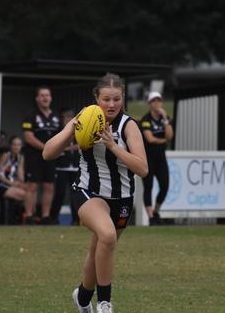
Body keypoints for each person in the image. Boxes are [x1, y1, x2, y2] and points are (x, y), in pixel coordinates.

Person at [43, 73, 148, 313]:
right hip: (88, 191)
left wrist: (112, 146)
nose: (111, 105)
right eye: (106, 99)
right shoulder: (85, 118)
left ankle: (82, 297)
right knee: (108, 236)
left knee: (99, 249)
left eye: (117, 99)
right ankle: (104, 303)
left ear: (123, 99)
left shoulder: (128, 126)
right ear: (96, 98)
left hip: (122, 198)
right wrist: (72, 128)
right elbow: (48, 153)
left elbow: (142, 168)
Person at [22, 86, 62, 224]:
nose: (45, 98)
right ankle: (29, 215)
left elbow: (61, 135)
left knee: (49, 186)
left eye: (47, 95)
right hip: (34, 156)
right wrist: (47, 148)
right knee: (32, 186)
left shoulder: (56, 116)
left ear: (51, 98)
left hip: (51, 158)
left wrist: (56, 149)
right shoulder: (31, 114)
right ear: (37, 99)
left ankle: (45, 216)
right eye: (42, 95)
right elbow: (28, 137)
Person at [140, 91, 174, 225]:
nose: (157, 103)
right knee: (148, 187)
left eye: (159, 100)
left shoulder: (165, 118)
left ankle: (156, 212)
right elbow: (150, 139)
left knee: (165, 186)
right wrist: (163, 140)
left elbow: (170, 136)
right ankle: (150, 217)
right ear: (149, 104)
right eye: (154, 101)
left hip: (161, 158)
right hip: (148, 159)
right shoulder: (146, 120)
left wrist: (165, 119)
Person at [50, 108, 81, 225]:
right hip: (61, 167)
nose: (67, 119)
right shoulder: (59, 131)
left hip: (75, 166)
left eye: (70, 116)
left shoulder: (80, 129)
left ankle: (76, 220)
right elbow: (55, 147)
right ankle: (53, 218)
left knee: (75, 194)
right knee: (60, 193)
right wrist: (68, 148)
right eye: (65, 117)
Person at [0, 136, 27, 225]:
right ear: (10, 146)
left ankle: (20, 218)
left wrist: (22, 183)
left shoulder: (20, 158)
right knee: (25, 196)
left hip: (12, 185)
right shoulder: (5, 156)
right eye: (14, 144)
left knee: (30, 192)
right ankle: (17, 218)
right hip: (2, 185)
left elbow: (21, 176)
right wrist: (11, 183)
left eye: (19, 145)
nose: (16, 147)